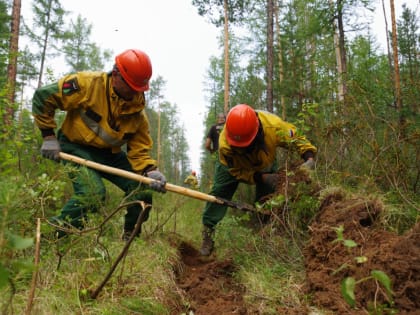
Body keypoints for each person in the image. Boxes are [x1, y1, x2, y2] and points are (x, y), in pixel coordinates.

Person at [32, 48, 167, 241]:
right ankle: (49, 237)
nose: (134, 92)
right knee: (93, 193)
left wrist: (149, 171)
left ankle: (130, 238)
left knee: (142, 189)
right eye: (130, 86)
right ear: (116, 75)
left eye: (138, 88)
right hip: (75, 148)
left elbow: (139, 150)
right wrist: (48, 137)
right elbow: (43, 96)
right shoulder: (86, 84)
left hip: (109, 155)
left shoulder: (137, 114)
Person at [199, 104, 317, 255]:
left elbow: (297, 138)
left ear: (257, 133)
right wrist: (259, 177)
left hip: (264, 161)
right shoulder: (225, 145)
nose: (243, 148)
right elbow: (236, 172)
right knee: (219, 193)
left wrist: (309, 158)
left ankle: (264, 233)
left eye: (246, 145)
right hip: (232, 167)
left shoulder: (273, 127)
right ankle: (208, 234)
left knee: (266, 199)